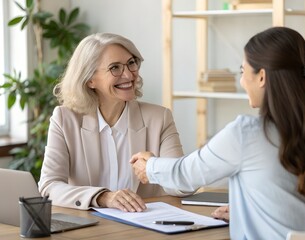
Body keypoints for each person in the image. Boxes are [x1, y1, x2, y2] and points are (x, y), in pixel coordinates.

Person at [130, 27, 305, 239]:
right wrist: (250, 210)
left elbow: (185, 175)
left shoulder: (246, 134)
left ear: (262, 77)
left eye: (242, 71)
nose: (241, 80)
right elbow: (297, 202)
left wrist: (149, 165)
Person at [38, 32, 191, 212]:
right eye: (115, 68)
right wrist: (103, 197)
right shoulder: (65, 119)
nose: (128, 75)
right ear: (90, 80)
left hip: (144, 228)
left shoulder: (159, 118)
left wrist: (156, 168)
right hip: (87, 230)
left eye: (131, 63)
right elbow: (49, 187)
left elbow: (183, 184)